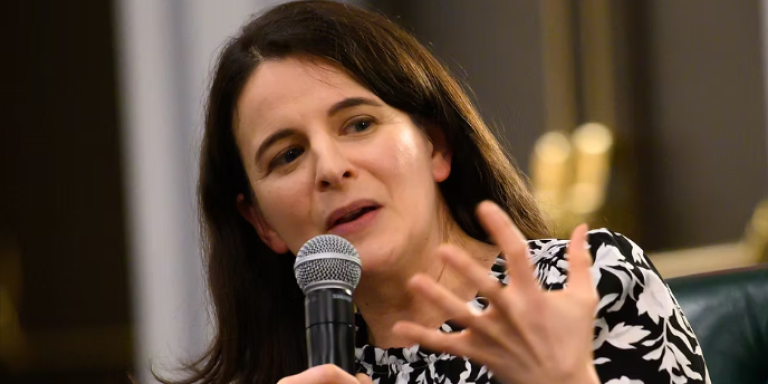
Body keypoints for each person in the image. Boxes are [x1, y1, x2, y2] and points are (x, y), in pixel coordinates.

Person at [160, 1, 710, 383]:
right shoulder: (281, 374)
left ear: (436, 147)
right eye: (287, 155)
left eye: (357, 124)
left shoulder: (582, 285)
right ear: (260, 223)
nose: (329, 168)